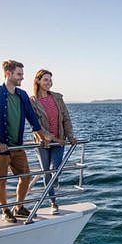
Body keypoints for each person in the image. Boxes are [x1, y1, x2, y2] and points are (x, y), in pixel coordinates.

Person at [0, 60, 47, 223]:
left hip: (17, 145)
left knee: (26, 176)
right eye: (19, 74)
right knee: (1, 180)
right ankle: (5, 210)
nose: (22, 77)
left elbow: (32, 118)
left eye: (22, 74)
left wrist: (41, 137)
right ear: (8, 74)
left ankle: (18, 207)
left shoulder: (22, 94)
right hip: (0, 147)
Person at [30, 69, 78, 214]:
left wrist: (70, 136)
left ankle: (53, 182)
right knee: (47, 172)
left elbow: (66, 118)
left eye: (50, 80)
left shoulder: (57, 98)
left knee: (54, 169)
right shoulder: (32, 101)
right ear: (38, 81)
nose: (48, 82)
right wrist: (48, 138)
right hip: (42, 142)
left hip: (59, 141)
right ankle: (53, 203)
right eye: (45, 79)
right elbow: (35, 125)